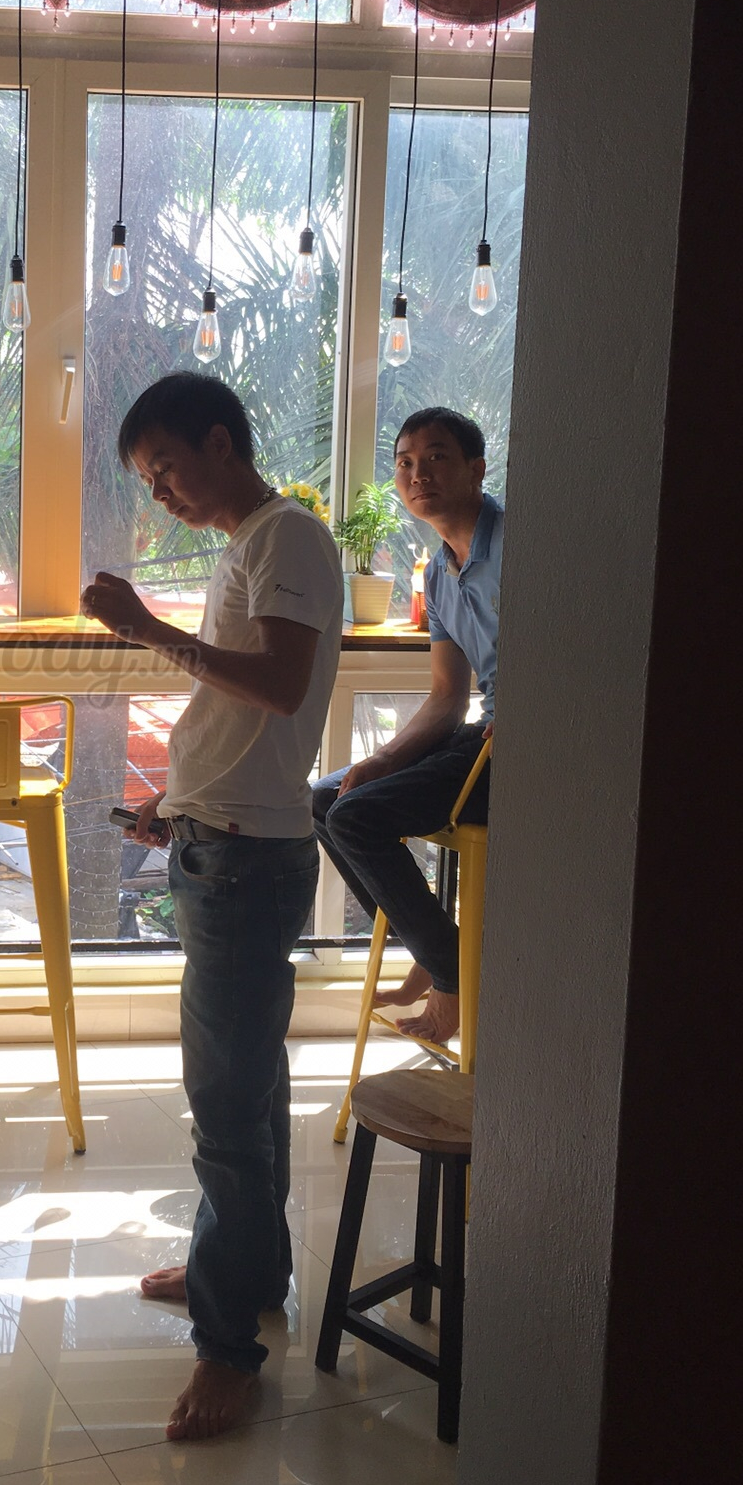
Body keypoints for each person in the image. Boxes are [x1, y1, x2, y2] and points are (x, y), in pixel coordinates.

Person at [82, 372, 343, 1440]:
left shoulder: (289, 538)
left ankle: (227, 1345)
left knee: (228, 1106)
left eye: (166, 470)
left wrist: (145, 626)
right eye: (149, 481)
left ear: (221, 442)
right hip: (222, 839)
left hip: (246, 861)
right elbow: (243, 709)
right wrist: (177, 801)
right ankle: (245, 1274)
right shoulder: (253, 545)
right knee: (250, 1089)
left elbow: (278, 686)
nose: (161, 495)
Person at [312, 406, 501, 1046]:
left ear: (476, 469)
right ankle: (432, 947)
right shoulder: (439, 573)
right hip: (484, 731)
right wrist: (382, 760)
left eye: (437, 457)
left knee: (356, 819)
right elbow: (447, 698)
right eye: (405, 463)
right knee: (327, 799)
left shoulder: (521, 545)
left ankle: (451, 973)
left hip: (536, 749)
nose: (419, 474)